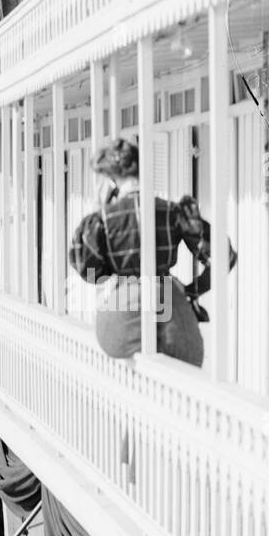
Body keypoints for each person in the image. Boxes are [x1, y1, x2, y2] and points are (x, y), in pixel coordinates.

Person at [69, 137, 234, 367]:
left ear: (110, 179)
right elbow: (224, 256)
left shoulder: (105, 219)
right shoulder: (171, 212)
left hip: (122, 319)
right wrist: (191, 291)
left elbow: (89, 272)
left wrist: (99, 211)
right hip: (171, 309)